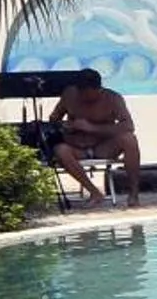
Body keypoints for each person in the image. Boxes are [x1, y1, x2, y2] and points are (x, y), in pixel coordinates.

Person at [48, 69, 141, 209]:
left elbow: (128, 126)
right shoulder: (70, 95)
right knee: (60, 150)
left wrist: (92, 128)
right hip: (76, 146)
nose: (84, 98)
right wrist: (67, 126)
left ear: (98, 89)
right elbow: (54, 119)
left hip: (103, 146)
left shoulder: (113, 99)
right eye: (81, 94)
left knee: (130, 140)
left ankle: (133, 193)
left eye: (88, 94)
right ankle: (94, 192)